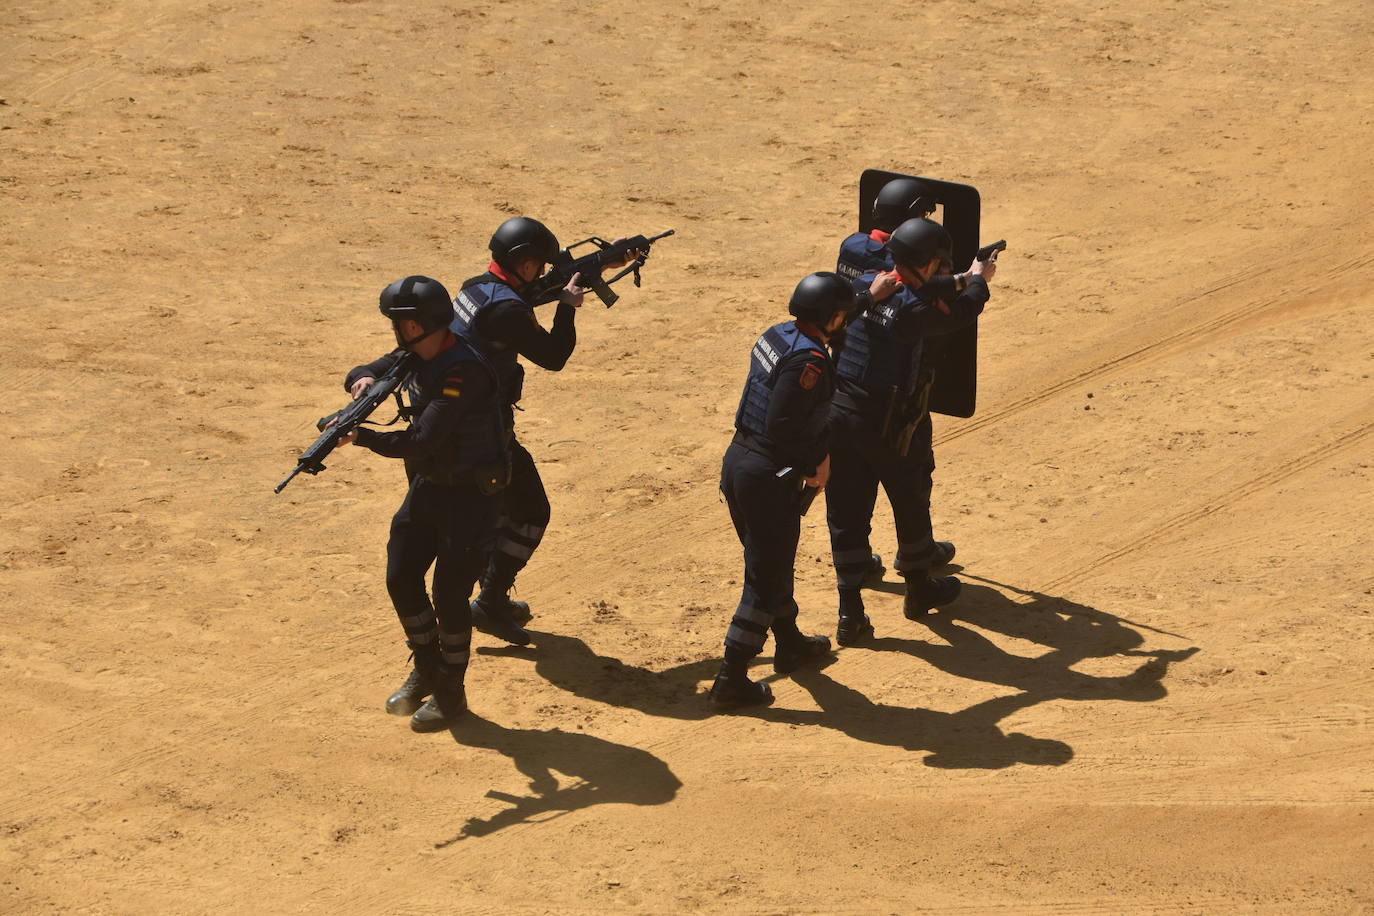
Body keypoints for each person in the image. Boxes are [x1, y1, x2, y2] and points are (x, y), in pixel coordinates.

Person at [339, 275, 509, 732]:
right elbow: (359, 370)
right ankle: (428, 666)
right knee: (401, 577)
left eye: (407, 326)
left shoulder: (463, 371)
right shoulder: (413, 353)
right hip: (431, 487)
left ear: (428, 325)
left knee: (450, 594)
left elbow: (422, 439)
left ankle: (451, 691)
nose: (399, 334)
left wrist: (363, 437)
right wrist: (364, 382)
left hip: (473, 497)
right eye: (397, 325)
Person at [451, 217, 636, 638]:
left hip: (462, 424)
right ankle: (489, 601)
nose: (541, 270)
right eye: (537, 263)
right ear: (521, 262)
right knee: (532, 511)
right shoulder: (507, 309)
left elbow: (528, 294)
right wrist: (568, 310)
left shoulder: (476, 286)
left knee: (499, 510)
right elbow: (553, 356)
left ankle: (488, 597)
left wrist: (602, 265)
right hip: (485, 434)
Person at [826, 217, 996, 645]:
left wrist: (957, 276)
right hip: (889, 421)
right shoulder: (913, 311)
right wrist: (978, 281)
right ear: (927, 263)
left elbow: (920, 286)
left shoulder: (865, 280)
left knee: (845, 509)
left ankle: (850, 612)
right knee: (910, 497)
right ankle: (919, 589)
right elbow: (961, 313)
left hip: (839, 415)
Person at [707, 272, 861, 710]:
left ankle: (789, 641)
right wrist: (818, 461)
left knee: (770, 560)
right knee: (765, 574)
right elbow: (784, 425)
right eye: (842, 315)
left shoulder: (779, 334)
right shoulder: (808, 362)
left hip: (739, 461)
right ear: (829, 316)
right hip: (768, 473)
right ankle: (731, 678)